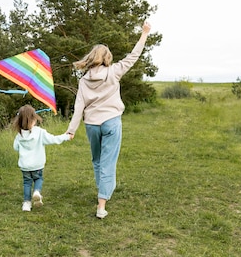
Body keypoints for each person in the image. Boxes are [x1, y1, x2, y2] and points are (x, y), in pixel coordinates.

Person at [66, 21, 152, 219]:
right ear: (107, 58)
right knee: (108, 162)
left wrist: (72, 130)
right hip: (111, 121)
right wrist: (144, 34)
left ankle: (103, 190)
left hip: (91, 125)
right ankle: (102, 204)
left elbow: (79, 106)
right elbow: (134, 56)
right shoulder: (114, 71)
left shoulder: (84, 79)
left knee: (98, 161)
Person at [12, 104, 72, 212]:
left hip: (25, 166)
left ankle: (26, 204)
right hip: (37, 164)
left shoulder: (19, 135)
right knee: (38, 178)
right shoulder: (39, 132)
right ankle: (37, 192)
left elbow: (15, 148)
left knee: (27, 183)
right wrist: (66, 136)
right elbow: (53, 139)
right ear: (33, 119)